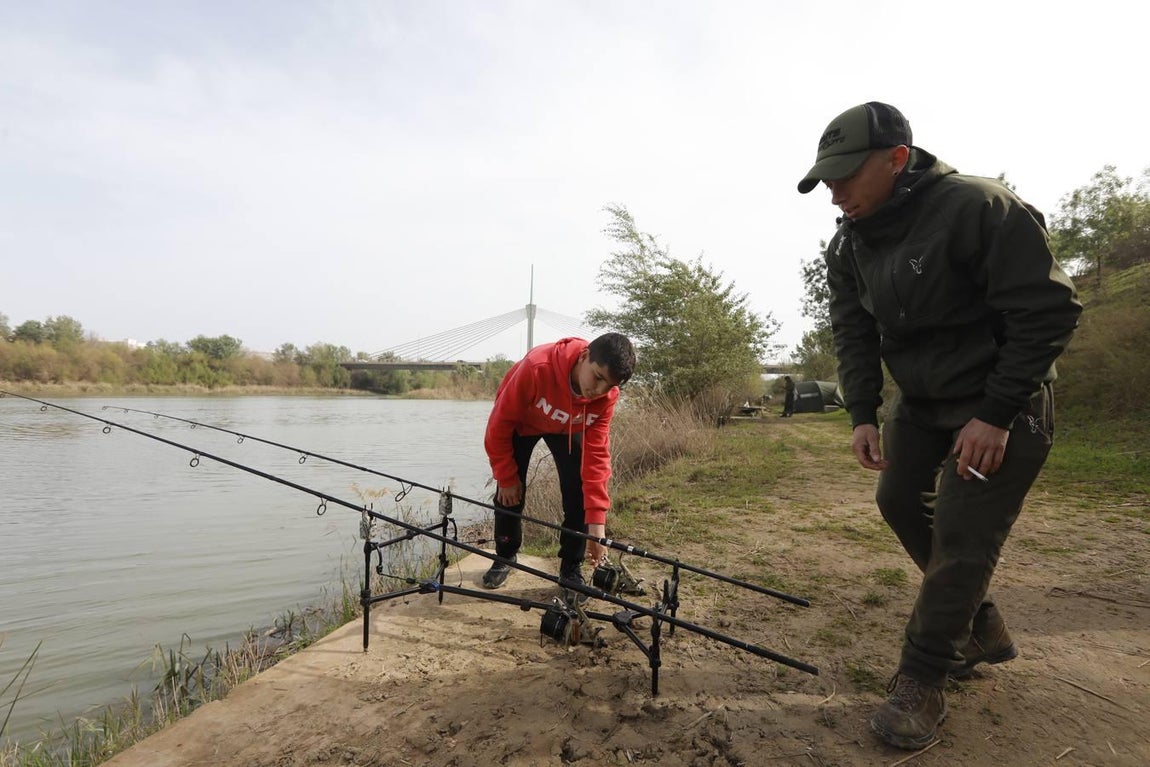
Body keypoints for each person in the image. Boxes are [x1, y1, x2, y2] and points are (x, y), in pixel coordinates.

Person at [797, 102, 1081, 750]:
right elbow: (853, 329)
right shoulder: (848, 243)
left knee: (960, 533)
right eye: (826, 180)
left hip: (1005, 401)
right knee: (897, 499)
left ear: (896, 160)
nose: (834, 193)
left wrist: (996, 412)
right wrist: (864, 411)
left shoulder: (978, 207)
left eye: (845, 176)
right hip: (924, 402)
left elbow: (1052, 311)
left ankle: (923, 678)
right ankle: (979, 624)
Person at [481, 333, 636, 601]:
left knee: (577, 489)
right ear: (585, 356)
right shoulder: (537, 367)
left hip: (568, 426)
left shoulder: (605, 398)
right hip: (523, 423)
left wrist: (597, 524)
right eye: (597, 377)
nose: (598, 390)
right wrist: (506, 476)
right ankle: (505, 556)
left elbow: (597, 457)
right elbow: (499, 424)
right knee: (509, 491)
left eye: (608, 385)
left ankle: (570, 567)